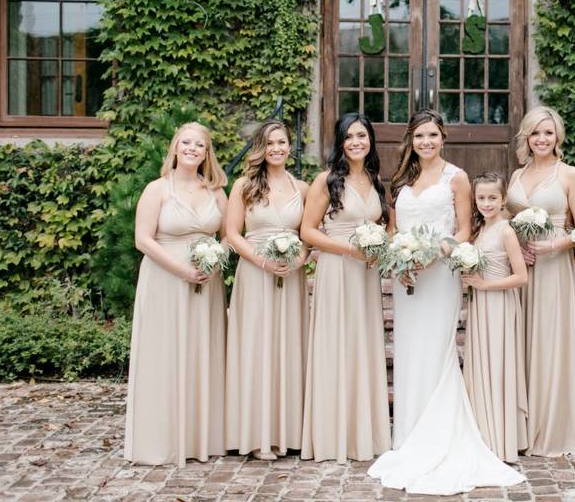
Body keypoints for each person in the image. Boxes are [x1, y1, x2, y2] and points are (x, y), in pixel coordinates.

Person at [367, 110, 525, 495]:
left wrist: (433, 255)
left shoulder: (457, 178)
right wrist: (398, 261)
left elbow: (464, 228)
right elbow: (392, 229)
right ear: (411, 139)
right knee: (409, 350)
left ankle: (440, 435)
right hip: (409, 278)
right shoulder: (401, 180)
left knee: (437, 350)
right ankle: (408, 434)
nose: (426, 142)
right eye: (420, 136)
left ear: (443, 137)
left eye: (433, 135)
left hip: (440, 275)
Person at [125, 122, 228, 468]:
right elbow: (143, 240)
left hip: (207, 284)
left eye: (199, 145)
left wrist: (217, 261)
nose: (192, 149)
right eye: (186, 142)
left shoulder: (215, 191)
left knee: (203, 352)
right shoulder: (157, 189)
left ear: (206, 153)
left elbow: (230, 234)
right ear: (175, 147)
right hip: (165, 282)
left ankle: (200, 437)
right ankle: (161, 439)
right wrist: (182, 270)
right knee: (164, 355)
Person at [300, 113, 390, 462]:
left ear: (370, 141)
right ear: (340, 142)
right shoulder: (327, 181)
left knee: (361, 345)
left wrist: (380, 247)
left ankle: (363, 433)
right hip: (337, 269)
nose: (356, 142)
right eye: (350, 137)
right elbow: (308, 231)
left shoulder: (375, 179)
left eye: (362, 136)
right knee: (335, 345)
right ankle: (331, 434)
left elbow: (387, 225)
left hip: (365, 275)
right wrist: (350, 250)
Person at [506, 106, 575, 456]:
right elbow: (507, 221)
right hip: (525, 270)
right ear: (526, 136)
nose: (542, 139)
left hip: (555, 268)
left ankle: (555, 425)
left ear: (558, 137)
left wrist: (554, 244)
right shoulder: (516, 176)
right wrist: (518, 248)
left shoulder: (569, 175)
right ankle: (523, 427)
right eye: (536, 133)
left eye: (548, 133)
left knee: (552, 342)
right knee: (525, 342)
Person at [224, 120, 309, 460]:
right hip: (255, 274)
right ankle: (256, 435)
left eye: (283, 142)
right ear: (261, 146)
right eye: (271, 142)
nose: (277, 148)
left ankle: (286, 433)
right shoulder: (244, 186)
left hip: (290, 277)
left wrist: (298, 262)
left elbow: (307, 235)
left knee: (287, 347)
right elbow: (232, 233)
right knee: (256, 348)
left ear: (290, 147)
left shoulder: (302, 188)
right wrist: (262, 262)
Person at [461, 172, 529, 463]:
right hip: (480, 306)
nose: (486, 203)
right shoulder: (479, 231)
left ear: (503, 200)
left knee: (498, 365)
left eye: (492, 198)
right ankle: (484, 432)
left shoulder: (505, 230)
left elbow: (521, 277)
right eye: (481, 198)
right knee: (483, 364)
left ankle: (502, 437)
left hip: (499, 304)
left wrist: (484, 285)